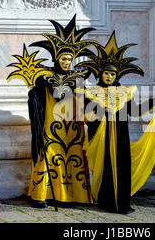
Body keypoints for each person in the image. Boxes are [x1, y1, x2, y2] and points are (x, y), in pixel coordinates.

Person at [7, 15, 97, 208]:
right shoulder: (45, 77)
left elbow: (84, 100)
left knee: (74, 155)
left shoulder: (77, 78)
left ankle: (72, 195)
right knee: (49, 154)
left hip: (73, 127)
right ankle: (41, 194)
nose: (66, 62)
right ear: (57, 58)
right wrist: (36, 92)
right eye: (63, 58)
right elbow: (37, 95)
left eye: (69, 59)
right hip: (50, 125)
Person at [75, 32, 155, 214]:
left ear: (117, 75)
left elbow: (134, 110)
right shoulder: (91, 92)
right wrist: (100, 111)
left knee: (122, 168)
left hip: (121, 137)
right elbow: (85, 116)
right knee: (105, 169)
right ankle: (106, 202)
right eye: (106, 73)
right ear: (100, 74)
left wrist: (154, 100)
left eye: (112, 73)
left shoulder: (124, 92)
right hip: (101, 138)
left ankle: (122, 203)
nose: (109, 76)